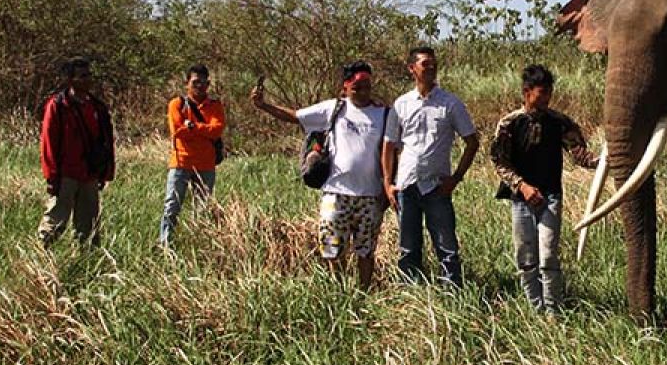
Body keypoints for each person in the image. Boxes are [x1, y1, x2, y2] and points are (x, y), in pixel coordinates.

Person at [251, 62, 389, 289]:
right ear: (345, 87)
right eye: (357, 87)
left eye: (367, 86)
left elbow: (393, 150)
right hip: (335, 194)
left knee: (366, 251)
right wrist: (263, 105)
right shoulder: (334, 109)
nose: (363, 92)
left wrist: (387, 188)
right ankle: (338, 293)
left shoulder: (383, 113)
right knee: (332, 250)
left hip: (371, 196)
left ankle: (363, 294)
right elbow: (295, 116)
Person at [491, 64, 597, 311]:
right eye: (542, 93)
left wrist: (605, 162)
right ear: (527, 92)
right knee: (527, 258)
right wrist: (522, 186)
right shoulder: (509, 124)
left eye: (549, 92)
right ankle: (535, 309)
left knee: (548, 255)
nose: (547, 98)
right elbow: (499, 161)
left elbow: (580, 154)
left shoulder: (559, 123)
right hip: (521, 200)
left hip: (550, 196)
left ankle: (553, 310)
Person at [381, 47, 479, 287]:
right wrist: (388, 183)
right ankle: (411, 297)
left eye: (434, 63)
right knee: (408, 248)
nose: (431, 68)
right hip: (407, 185)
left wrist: (455, 178)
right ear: (412, 69)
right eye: (425, 64)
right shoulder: (401, 104)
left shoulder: (451, 103)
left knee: (447, 246)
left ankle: (452, 292)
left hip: (437, 187)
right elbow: (389, 146)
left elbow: (472, 142)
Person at [38, 58, 116, 248]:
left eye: (89, 75)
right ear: (70, 80)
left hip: (89, 174)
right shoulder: (57, 106)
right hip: (65, 175)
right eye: (82, 76)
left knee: (88, 227)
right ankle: (42, 256)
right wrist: (52, 176)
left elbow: (106, 141)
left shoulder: (97, 107)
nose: (88, 80)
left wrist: (105, 172)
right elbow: (48, 142)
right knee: (55, 221)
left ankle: (87, 266)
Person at [159, 64, 226, 246]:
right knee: (172, 207)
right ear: (186, 83)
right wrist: (201, 129)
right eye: (196, 82)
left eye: (204, 82)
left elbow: (216, 130)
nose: (200, 86)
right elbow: (178, 131)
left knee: (202, 209)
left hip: (206, 165)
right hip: (181, 162)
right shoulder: (177, 104)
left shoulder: (215, 106)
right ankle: (165, 245)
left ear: (209, 83)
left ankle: (199, 245)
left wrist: (193, 126)